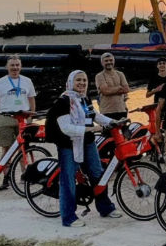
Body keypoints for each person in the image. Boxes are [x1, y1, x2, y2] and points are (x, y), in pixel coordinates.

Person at [45, 70, 117, 227]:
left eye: (84, 80)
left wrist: (114, 121)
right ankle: (69, 217)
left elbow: (95, 115)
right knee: (68, 179)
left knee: (98, 174)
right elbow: (66, 128)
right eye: (78, 80)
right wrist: (91, 129)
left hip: (87, 142)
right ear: (71, 82)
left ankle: (105, 207)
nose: (82, 83)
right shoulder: (63, 102)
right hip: (68, 144)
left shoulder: (84, 99)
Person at [0, 56, 36, 159]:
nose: (15, 67)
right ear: (7, 67)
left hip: (23, 118)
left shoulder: (27, 81)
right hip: (5, 118)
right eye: (12, 65)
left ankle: (24, 173)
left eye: (17, 65)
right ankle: (6, 174)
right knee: (6, 149)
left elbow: (31, 98)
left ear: (21, 66)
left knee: (24, 148)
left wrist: (31, 114)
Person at [94, 52, 131, 119]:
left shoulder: (120, 74)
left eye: (111, 60)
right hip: (107, 111)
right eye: (106, 61)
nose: (109, 62)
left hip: (122, 109)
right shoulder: (99, 76)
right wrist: (119, 87)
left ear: (114, 61)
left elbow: (126, 89)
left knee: (123, 129)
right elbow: (105, 91)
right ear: (102, 63)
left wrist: (111, 90)